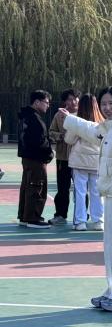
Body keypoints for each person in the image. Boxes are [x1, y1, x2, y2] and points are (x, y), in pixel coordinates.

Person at [59, 88, 112, 312]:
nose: (107, 108)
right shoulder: (111, 127)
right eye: (103, 104)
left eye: (111, 103)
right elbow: (93, 131)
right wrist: (70, 119)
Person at [64, 94, 103, 231]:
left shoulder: (75, 120)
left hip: (79, 160)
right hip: (97, 161)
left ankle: (80, 222)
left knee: (80, 193)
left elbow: (69, 139)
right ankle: (98, 220)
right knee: (97, 192)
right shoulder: (102, 121)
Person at [17, 90, 53, 229]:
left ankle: (24, 216)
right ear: (37, 102)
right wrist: (49, 153)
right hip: (36, 159)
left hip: (27, 157)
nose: (48, 105)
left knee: (27, 186)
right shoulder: (35, 119)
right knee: (37, 186)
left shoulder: (25, 116)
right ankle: (33, 218)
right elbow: (40, 141)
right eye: (46, 102)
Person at [47, 89, 79, 225]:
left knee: (81, 189)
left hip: (80, 159)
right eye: (70, 99)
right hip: (63, 158)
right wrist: (61, 136)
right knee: (62, 188)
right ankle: (60, 215)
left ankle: (81, 215)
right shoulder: (59, 115)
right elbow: (51, 132)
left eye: (75, 98)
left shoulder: (84, 114)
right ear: (65, 101)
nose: (73, 101)